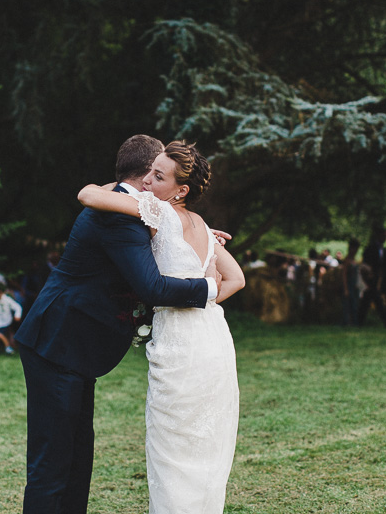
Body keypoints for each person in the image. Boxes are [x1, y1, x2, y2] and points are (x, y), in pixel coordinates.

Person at [13, 135, 221, 514]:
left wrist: (193, 238)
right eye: (154, 173)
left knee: (77, 463)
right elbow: (151, 287)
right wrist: (208, 287)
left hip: (76, 351)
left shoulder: (128, 205)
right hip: (58, 344)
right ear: (145, 176)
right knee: (53, 466)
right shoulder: (120, 216)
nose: (154, 182)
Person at [78, 140, 245, 514]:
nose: (147, 182)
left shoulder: (156, 210)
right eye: (150, 172)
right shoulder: (203, 227)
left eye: (158, 176)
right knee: (204, 444)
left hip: (180, 345)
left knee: (171, 449)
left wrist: (119, 188)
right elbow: (236, 279)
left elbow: (87, 195)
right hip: (214, 339)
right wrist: (204, 297)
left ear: (180, 190)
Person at [358, 225, 386, 326]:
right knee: (375, 301)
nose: (385, 238)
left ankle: (359, 321)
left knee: (368, 301)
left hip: (377, 278)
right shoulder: (371, 248)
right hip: (371, 279)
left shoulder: (383, 249)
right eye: (384, 235)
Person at [340, 238, 362, 327]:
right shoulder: (347, 260)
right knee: (347, 304)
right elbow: (344, 274)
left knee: (354, 304)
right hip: (348, 285)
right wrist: (345, 288)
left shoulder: (354, 260)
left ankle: (354, 322)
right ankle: (347, 322)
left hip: (354, 285)